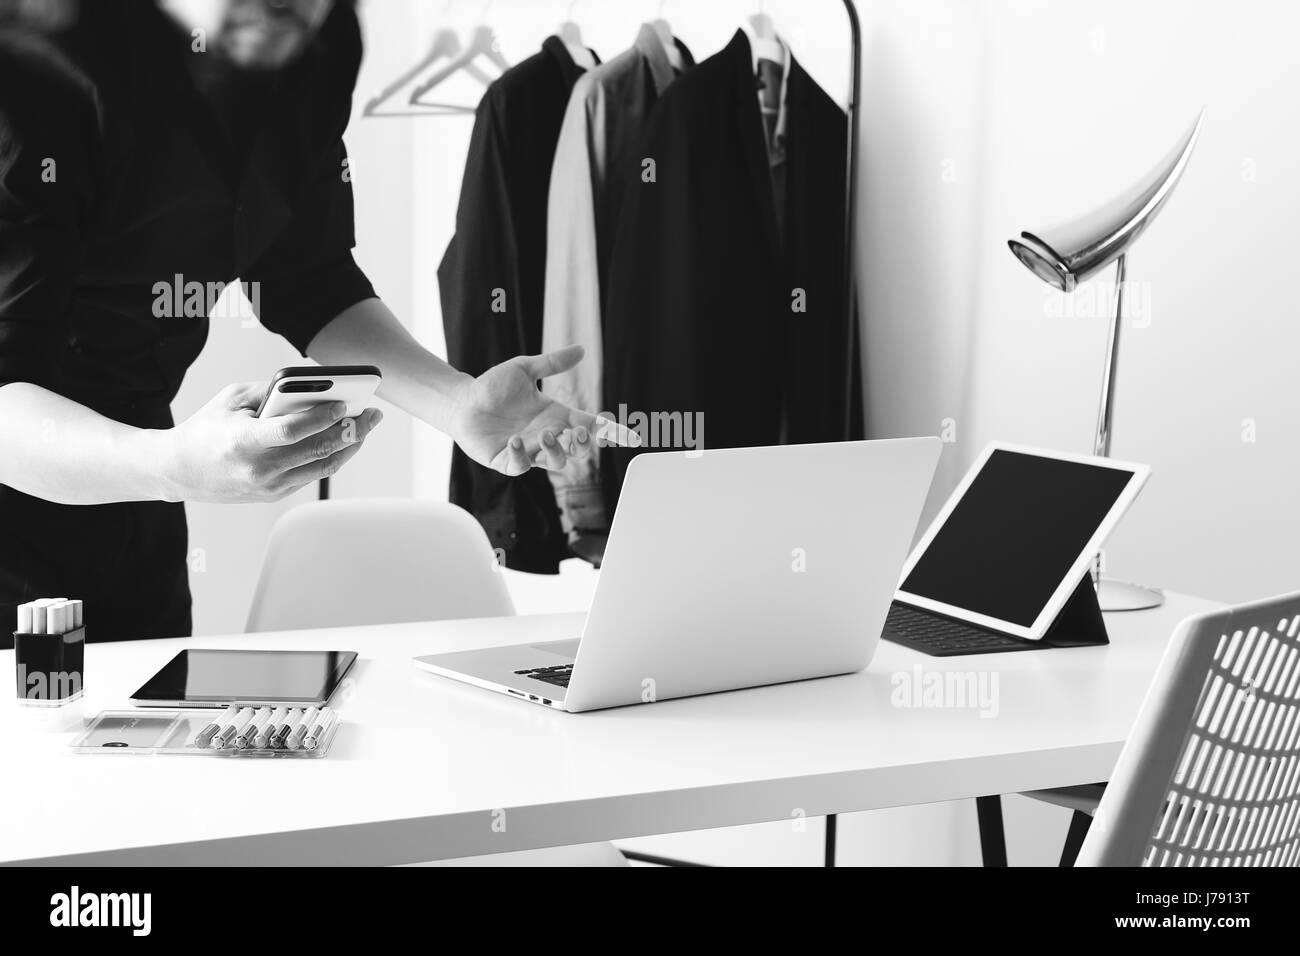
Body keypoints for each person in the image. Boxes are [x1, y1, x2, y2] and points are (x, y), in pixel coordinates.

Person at [0, 0, 603, 644]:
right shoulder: (30, 66)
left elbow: (306, 277)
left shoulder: (311, 48)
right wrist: (173, 463)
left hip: (135, 518)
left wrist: (458, 404)